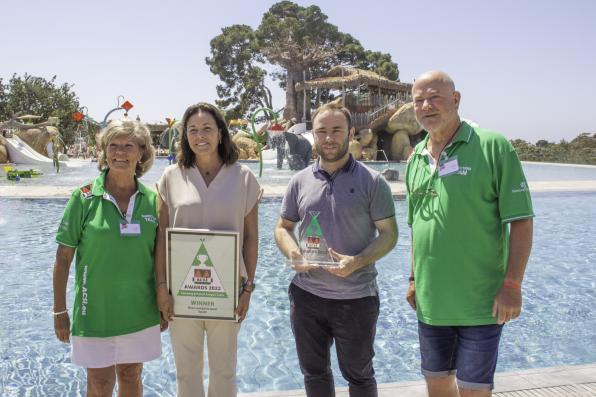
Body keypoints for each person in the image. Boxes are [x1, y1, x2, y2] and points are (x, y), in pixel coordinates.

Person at [405, 71, 534, 396]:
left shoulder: (492, 146)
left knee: (474, 390)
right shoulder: (416, 159)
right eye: (418, 100)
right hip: (432, 304)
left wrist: (512, 284)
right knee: (437, 386)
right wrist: (412, 279)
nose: (426, 106)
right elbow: (417, 227)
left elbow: (521, 221)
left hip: (481, 304)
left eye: (434, 97)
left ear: (456, 99)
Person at [274, 102, 398, 397]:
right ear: (313, 135)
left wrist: (357, 261)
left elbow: (389, 234)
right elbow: (282, 227)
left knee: (359, 376)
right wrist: (293, 253)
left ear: (350, 132)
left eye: (336, 130)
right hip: (306, 297)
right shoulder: (299, 181)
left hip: (356, 298)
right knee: (314, 373)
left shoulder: (372, 181)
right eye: (322, 131)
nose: (329, 138)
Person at [155, 102, 261, 397]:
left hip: (227, 291)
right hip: (182, 292)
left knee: (224, 371)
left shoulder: (243, 177)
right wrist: (161, 287)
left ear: (220, 133)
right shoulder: (170, 177)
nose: (200, 135)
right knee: (186, 373)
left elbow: (251, 237)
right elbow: (161, 237)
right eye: (192, 130)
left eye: (207, 128)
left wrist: (248, 287)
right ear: (184, 136)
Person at [53, 120, 163, 397]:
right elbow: (63, 258)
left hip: (139, 309)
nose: (120, 153)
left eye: (128, 146)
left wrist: (164, 299)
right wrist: (59, 311)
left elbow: (161, 256)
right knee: (100, 383)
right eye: (113, 146)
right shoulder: (84, 198)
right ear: (104, 152)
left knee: (131, 376)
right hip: (94, 311)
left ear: (141, 152)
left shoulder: (153, 200)